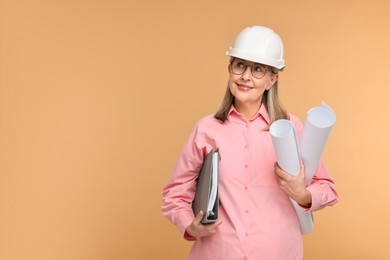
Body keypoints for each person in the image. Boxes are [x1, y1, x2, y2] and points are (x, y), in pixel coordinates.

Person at [161, 25, 338, 260]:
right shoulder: (206, 129)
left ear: (272, 79)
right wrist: (189, 226)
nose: (245, 76)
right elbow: (175, 194)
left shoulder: (290, 127)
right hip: (218, 253)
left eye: (257, 69)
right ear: (229, 69)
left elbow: (328, 189)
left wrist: (302, 194)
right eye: (240, 65)